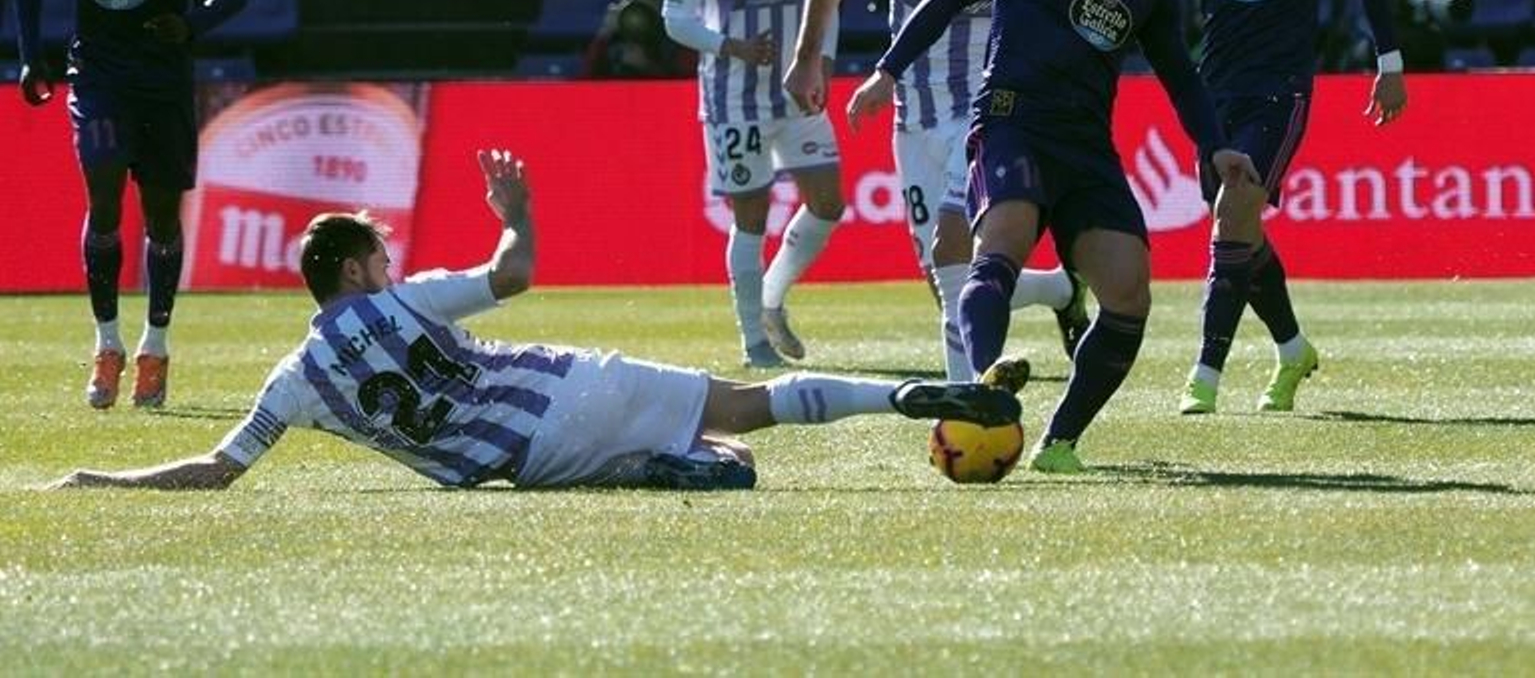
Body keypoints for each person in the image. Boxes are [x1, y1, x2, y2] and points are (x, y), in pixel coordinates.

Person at [49, 149, 1022, 492]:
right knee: (748, 404)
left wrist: (104, 475)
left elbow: (218, 470)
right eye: (377, 254)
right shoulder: (404, 298)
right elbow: (513, 275)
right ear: (355, 268)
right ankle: (908, 394)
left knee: (715, 450)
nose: (388, 264)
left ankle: (661, 468)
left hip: (517, 466)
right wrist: (516, 216)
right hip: (563, 386)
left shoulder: (293, 381)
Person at [847, 0, 1259, 474]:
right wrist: (888, 70)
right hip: (1012, 120)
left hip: (1086, 146)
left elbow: (1181, 74)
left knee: (1128, 291)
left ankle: (1059, 443)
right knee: (1004, 238)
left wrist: (1216, 148)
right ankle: (986, 385)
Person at [785, 0, 1088, 382]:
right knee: (943, 273)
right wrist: (807, 59)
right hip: (912, 115)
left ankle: (966, 399)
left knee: (952, 248)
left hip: (982, 110)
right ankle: (1058, 288)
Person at [1154, 0, 1407, 418]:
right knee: (1241, 226)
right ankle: (1293, 349)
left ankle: (1204, 375)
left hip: (1281, 90)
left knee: (1231, 213)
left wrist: (1390, 60)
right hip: (1214, 96)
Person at [10, 0, 248, 411]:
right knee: (105, 191)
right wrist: (33, 53)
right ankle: (107, 342)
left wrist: (190, 25)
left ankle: (156, 347)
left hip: (163, 83)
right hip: (99, 78)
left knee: (164, 217)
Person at [663, 0, 844, 369]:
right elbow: (674, 17)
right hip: (733, 100)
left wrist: (823, 61)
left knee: (829, 203)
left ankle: (770, 297)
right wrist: (730, 46)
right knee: (751, 219)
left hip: (797, 92)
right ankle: (755, 342)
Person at [579, 0, 697, 79]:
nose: (638, 18)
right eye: (634, 7)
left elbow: (687, 75)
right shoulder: (614, 34)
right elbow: (588, 75)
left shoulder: (669, 30)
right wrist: (604, 34)